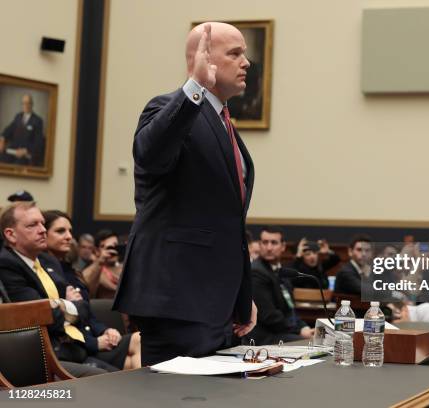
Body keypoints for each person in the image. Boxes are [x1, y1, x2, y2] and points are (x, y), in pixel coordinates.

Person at [113, 22, 257, 366]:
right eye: (235, 53)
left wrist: (242, 294)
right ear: (201, 58)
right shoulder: (169, 108)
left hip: (215, 304)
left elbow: (227, 224)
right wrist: (194, 87)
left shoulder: (222, 121)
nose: (246, 62)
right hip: (176, 297)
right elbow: (151, 155)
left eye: (245, 53)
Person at [0, 202, 108, 370]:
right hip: (42, 356)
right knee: (109, 377)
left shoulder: (49, 261)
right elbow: (43, 315)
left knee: (135, 353)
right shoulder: (6, 264)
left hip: (73, 346)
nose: (42, 229)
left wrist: (62, 306)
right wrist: (67, 305)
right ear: (11, 235)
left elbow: (83, 307)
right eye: (32, 225)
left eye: (42, 223)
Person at [43, 210, 141, 370]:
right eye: (61, 231)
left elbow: (87, 313)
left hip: (91, 339)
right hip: (77, 347)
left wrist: (106, 330)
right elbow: (59, 324)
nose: (69, 236)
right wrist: (94, 343)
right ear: (44, 234)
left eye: (70, 231)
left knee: (139, 340)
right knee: (131, 360)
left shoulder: (69, 271)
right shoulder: (44, 273)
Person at [250, 226, 314, 344]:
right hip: (264, 338)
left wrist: (303, 327)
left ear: (283, 246)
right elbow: (269, 317)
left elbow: (289, 309)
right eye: (265, 242)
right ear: (260, 245)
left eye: (274, 243)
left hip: (281, 332)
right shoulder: (256, 272)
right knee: (311, 345)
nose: (269, 247)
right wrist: (299, 330)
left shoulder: (281, 271)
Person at [0, 94, 45, 166]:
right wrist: (2, 139)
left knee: (18, 165)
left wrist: (25, 151)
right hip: (13, 151)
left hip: (26, 154)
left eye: (28, 103)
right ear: (22, 105)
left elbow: (38, 142)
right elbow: (8, 129)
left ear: (32, 104)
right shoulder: (18, 116)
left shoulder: (38, 121)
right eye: (24, 103)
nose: (26, 105)